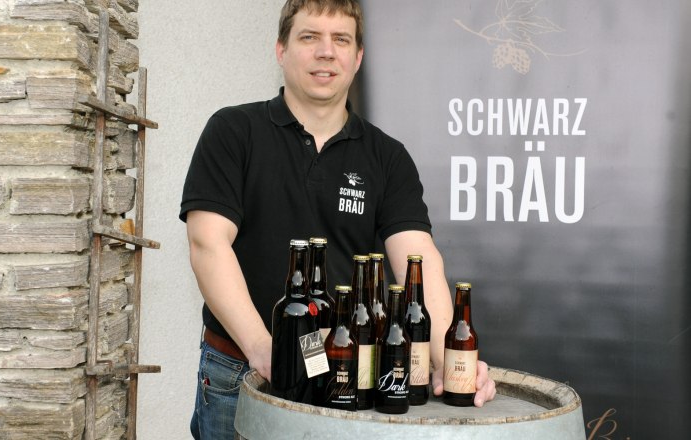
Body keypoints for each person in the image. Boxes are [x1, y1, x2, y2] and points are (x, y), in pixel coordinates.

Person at [180, 1, 496, 438]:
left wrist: (450, 362)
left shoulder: (387, 157)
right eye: (309, 37)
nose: (326, 52)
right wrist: (265, 349)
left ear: (358, 57)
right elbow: (207, 244)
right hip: (240, 372)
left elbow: (418, 260)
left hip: (350, 373)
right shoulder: (234, 131)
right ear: (281, 49)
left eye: (340, 40)